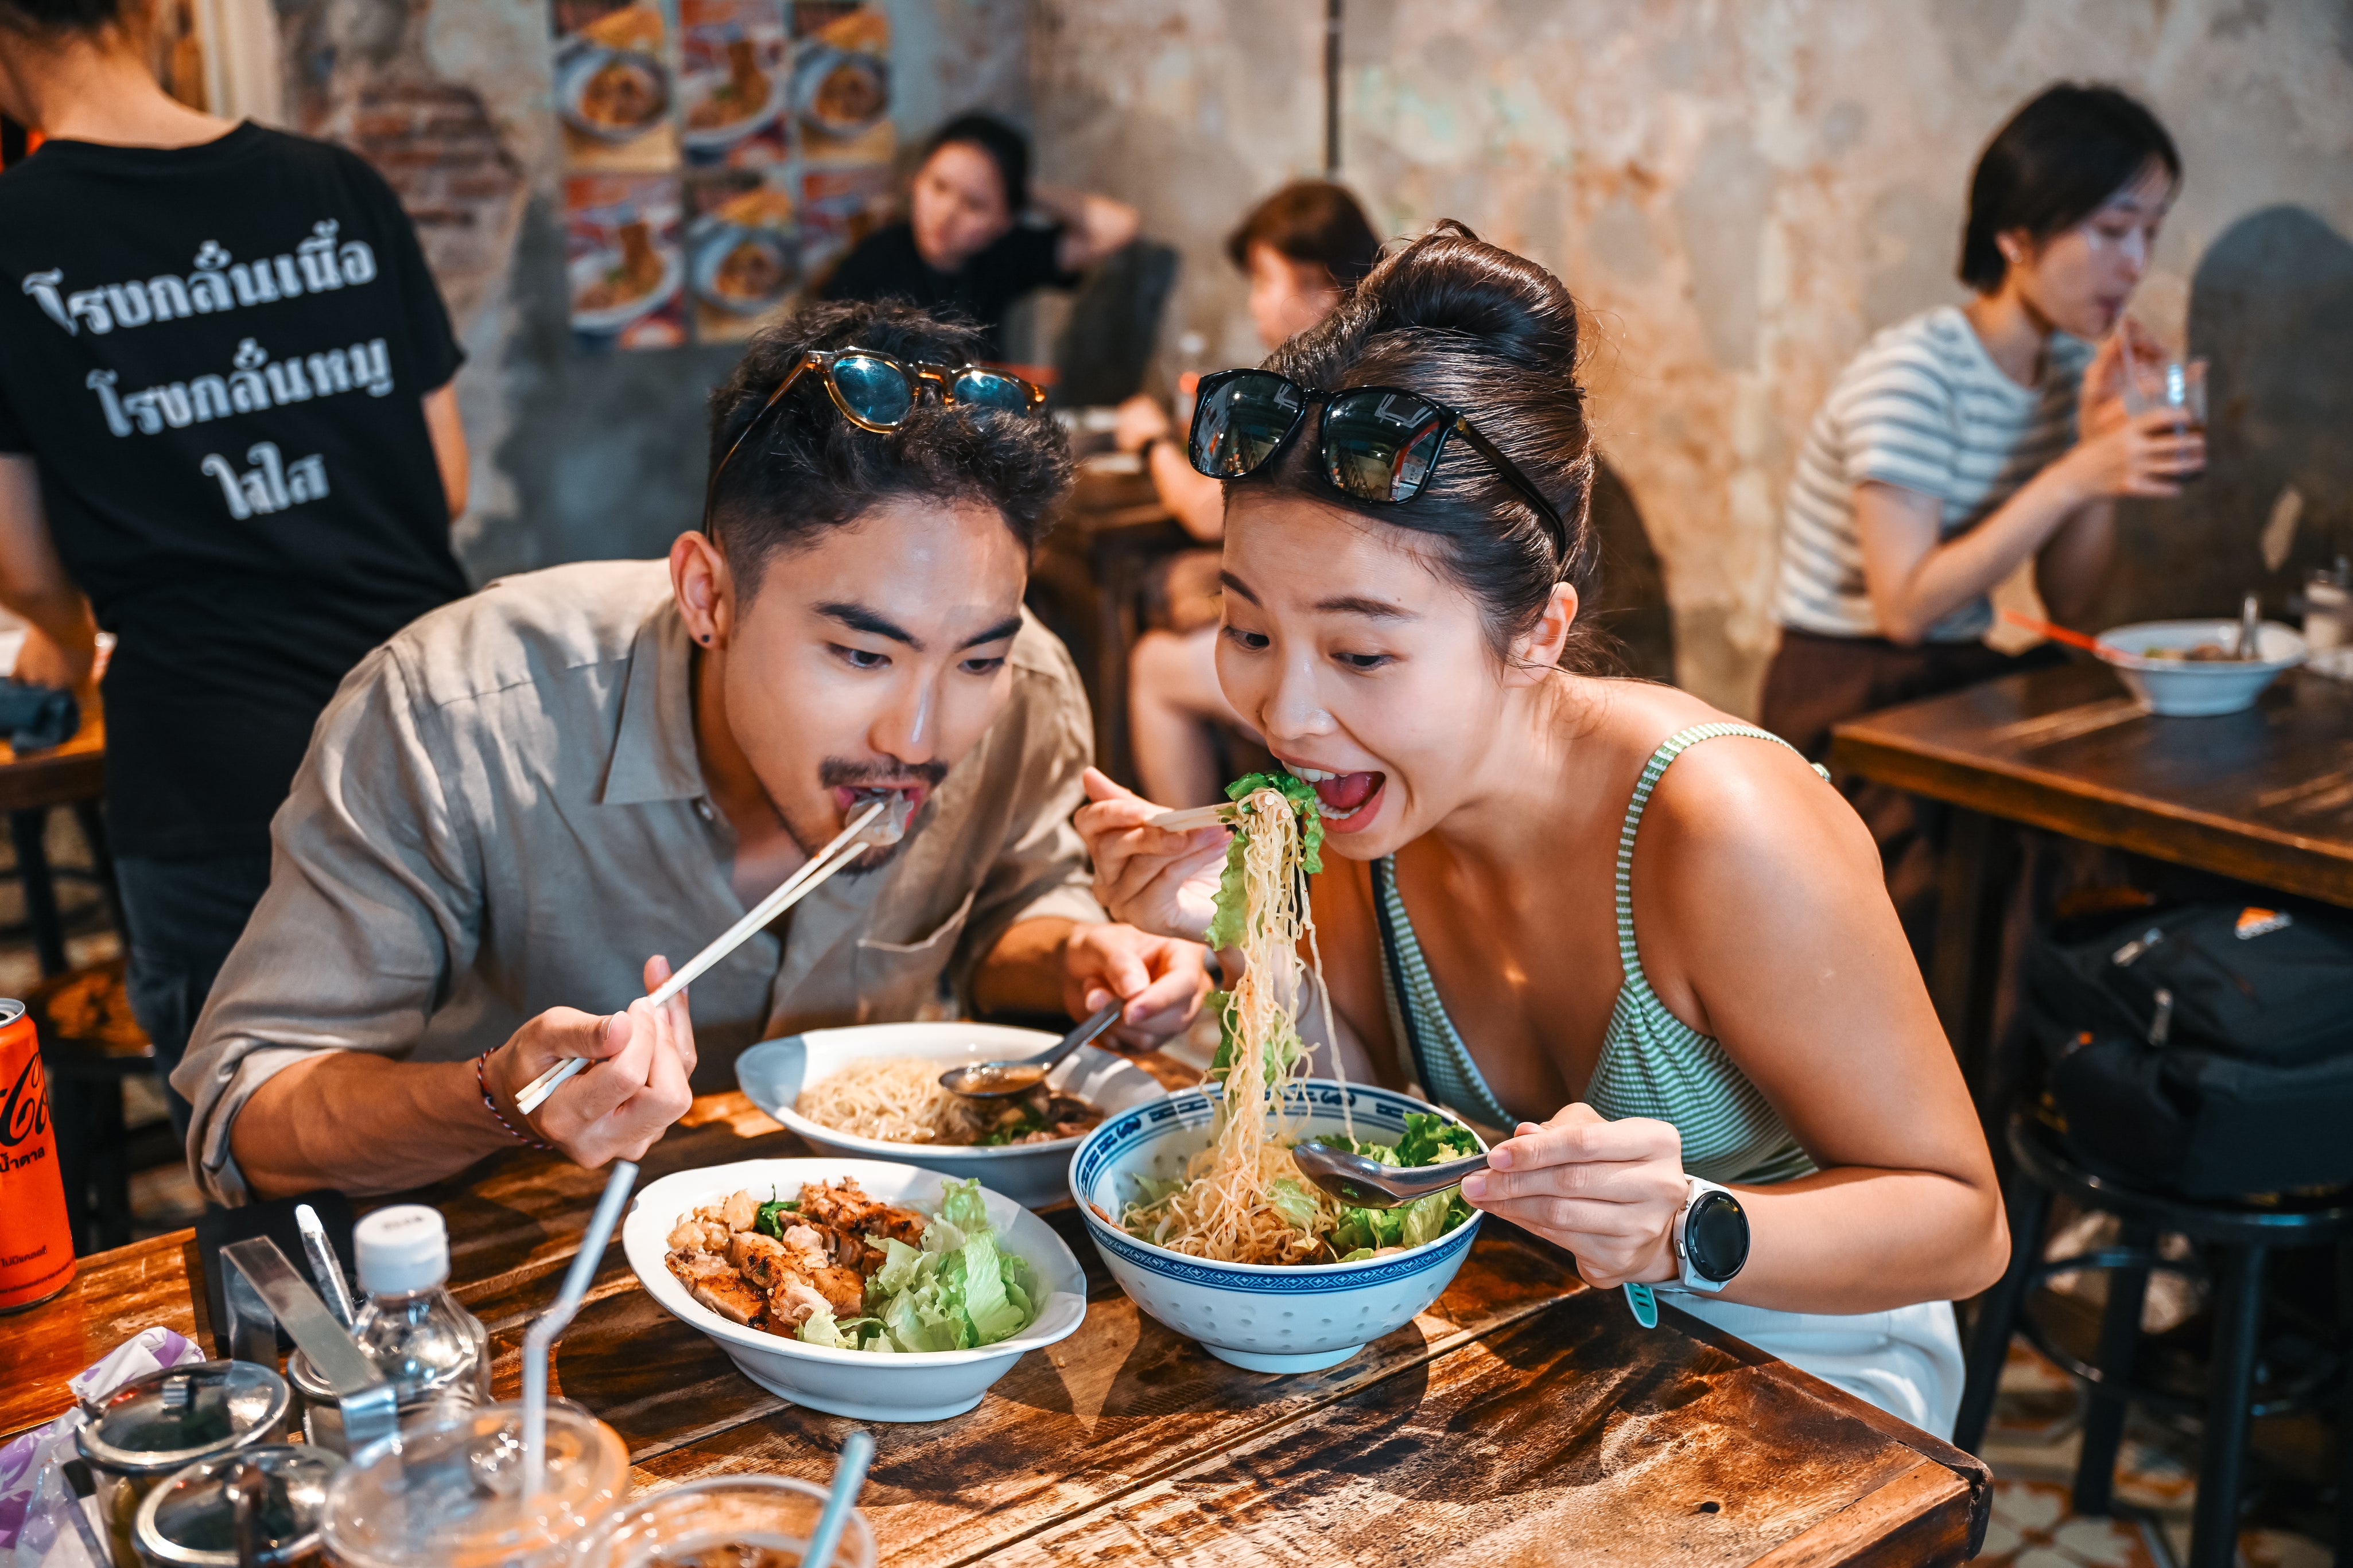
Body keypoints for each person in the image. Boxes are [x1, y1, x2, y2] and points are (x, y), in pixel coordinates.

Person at [1076, 224, 2005, 1438]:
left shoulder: (1721, 827)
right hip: (1541, 1343)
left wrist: (1684, 1225)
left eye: (1360, 650)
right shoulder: (1376, 799)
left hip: (1807, 1376)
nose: (1288, 714)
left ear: (1537, 632)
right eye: (1250, 631)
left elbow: (1962, 1222)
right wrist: (1234, 941)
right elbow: (1346, 1104)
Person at [175, 300, 1209, 1205]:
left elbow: (1011, 906)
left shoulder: (1026, 686)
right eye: (860, 652)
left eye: (976, 658)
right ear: (708, 594)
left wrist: (1079, 959)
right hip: (520, 1288)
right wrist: (502, 1097)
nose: (919, 736)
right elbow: (248, 1117)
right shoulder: (455, 710)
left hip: (891, 1252)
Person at [0, 0, 472, 1139]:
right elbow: (442, 481)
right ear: (161, 10)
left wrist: (60, 635)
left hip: (217, 766)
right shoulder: (338, 190)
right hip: (439, 740)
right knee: (472, 1119)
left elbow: (22, 559)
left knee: (268, 1151)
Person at [1758, 84, 2197, 940]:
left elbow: (2072, 603)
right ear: (2018, 237)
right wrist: (2075, 473)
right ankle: (1979, 1072)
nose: (2137, 264)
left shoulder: (2068, 372)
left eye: (2151, 232)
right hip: (1850, 694)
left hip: (1949, 683)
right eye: (2112, 230)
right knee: (2007, 864)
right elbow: (1908, 606)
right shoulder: (1916, 374)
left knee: (2126, 783)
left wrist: (2100, 458)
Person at [1113, 180, 1383, 805]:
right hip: (1379, 643)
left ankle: (1192, 874)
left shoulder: (1316, 386)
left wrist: (1152, 442)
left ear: (1321, 286)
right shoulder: (1391, 364)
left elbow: (1210, 515)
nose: (1257, 305)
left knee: (1154, 666)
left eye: (1265, 282)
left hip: (1346, 666)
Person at [817, 113, 1138, 361]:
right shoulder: (872, 262)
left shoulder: (1000, 252)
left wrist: (1017, 188)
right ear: (915, 181)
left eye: (975, 204)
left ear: (1004, 221)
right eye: (938, 186)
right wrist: (993, 189)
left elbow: (1118, 228)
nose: (945, 215)